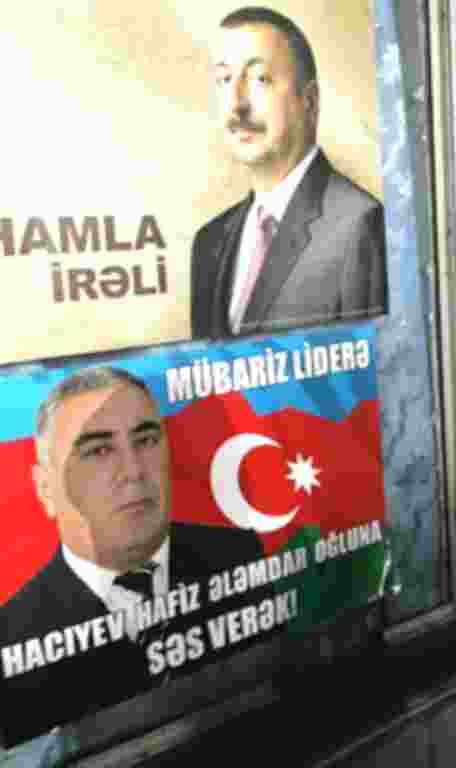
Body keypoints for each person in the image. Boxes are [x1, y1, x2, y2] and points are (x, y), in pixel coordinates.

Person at [0, 367, 272, 747]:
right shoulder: (12, 634)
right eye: (98, 450)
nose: (133, 471)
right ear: (46, 488)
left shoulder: (237, 554)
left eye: (146, 440)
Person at [191, 6, 388, 340]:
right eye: (225, 79)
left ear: (309, 102)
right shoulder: (208, 242)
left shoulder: (359, 225)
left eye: (259, 79)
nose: (237, 103)